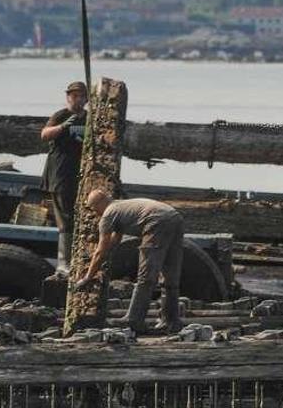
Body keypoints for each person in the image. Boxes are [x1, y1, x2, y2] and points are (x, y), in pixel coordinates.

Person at [76, 189, 185, 334]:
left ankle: (134, 319)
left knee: (145, 276)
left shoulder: (108, 215)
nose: (94, 212)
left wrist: (88, 277)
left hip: (156, 220)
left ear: (100, 203)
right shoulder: (120, 208)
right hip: (174, 216)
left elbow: (101, 250)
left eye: (94, 208)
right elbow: (114, 241)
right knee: (170, 275)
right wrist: (106, 260)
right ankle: (171, 321)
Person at [40, 81, 88, 275]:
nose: (76, 99)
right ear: (68, 97)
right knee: (66, 217)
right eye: (73, 95)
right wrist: (62, 127)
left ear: (86, 99)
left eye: (80, 95)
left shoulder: (90, 119)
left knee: (81, 215)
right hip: (60, 173)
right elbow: (44, 135)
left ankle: (79, 259)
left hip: (80, 174)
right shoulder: (61, 115)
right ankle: (63, 263)